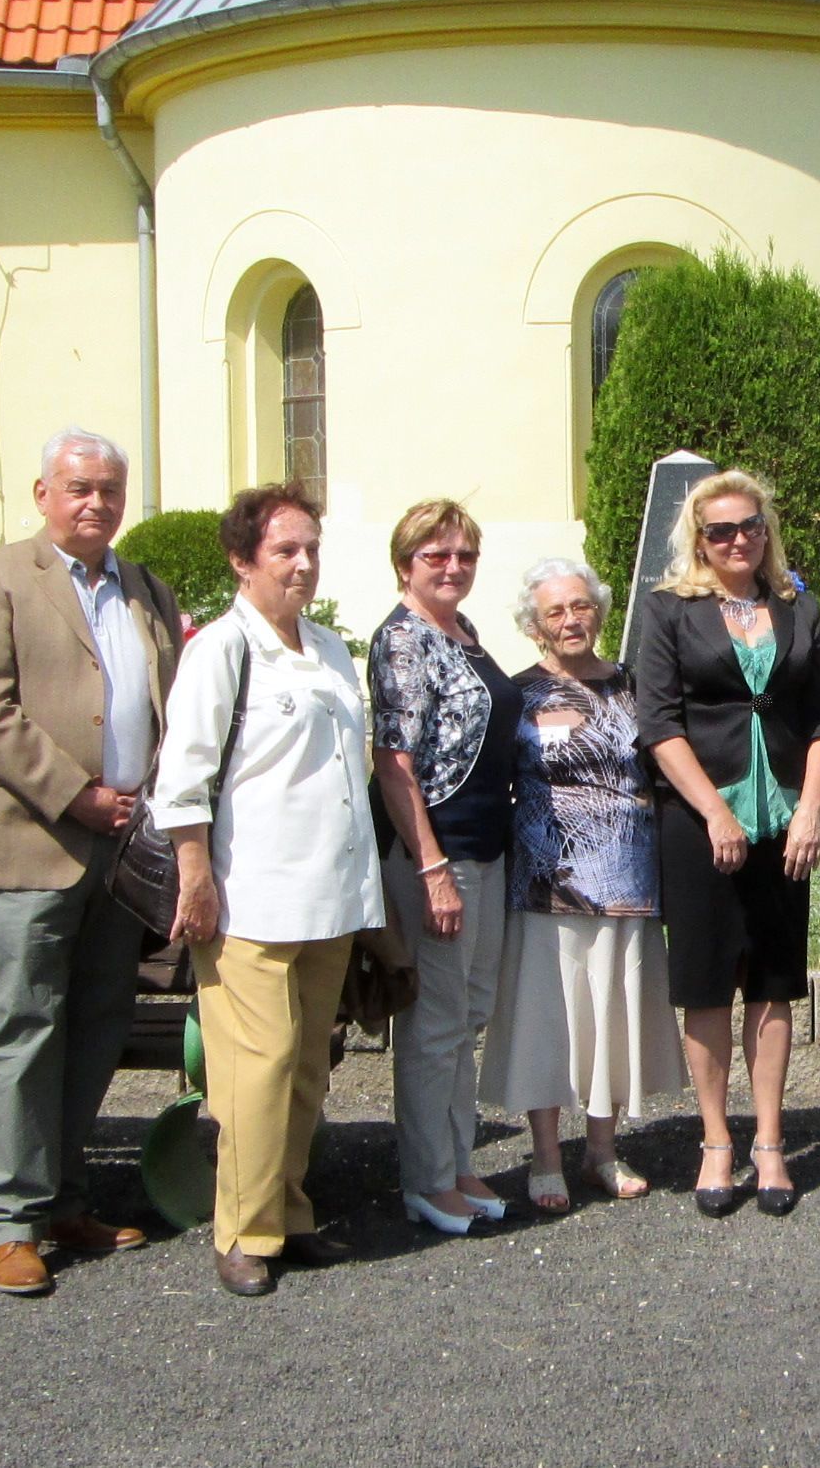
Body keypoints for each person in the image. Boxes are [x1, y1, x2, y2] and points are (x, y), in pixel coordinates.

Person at [0, 428, 184, 1295]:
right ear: (42, 492)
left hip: (123, 851)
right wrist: (74, 791)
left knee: (95, 1030)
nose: (96, 503)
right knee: (27, 1029)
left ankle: (63, 1200)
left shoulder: (144, 587)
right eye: (79, 487)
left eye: (110, 490)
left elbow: (165, 708)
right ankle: (11, 1221)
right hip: (31, 837)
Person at [157, 485, 387, 1297]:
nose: (302, 563)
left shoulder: (325, 647)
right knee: (255, 1069)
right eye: (285, 550)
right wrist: (195, 878)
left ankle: (289, 1213)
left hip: (329, 893)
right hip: (251, 894)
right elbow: (183, 777)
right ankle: (241, 1231)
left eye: (311, 548)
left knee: (305, 1068)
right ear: (241, 559)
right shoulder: (221, 649)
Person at [628, 470, 820, 1219]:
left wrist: (812, 810)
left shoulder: (797, 606)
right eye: (719, 530)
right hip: (698, 826)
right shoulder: (667, 612)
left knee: (774, 982)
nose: (736, 540)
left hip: (784, 824)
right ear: (698, 538)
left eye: (748, 525)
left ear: (765, 529)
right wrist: (715, 812)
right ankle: (717, 1141)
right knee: (705, 982)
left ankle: (772, 1143)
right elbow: (658, 722)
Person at [481, 561, 685, 1212]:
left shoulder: (634, 687)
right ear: (533, 626)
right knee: (549, 1018)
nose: (570, 620)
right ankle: (545, 1156)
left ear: (598, 611)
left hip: (627, 877)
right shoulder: (516, 694)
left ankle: (601, 1151)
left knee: (611, 1017)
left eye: (580, 606)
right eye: (554, 612)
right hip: (547, 883)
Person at [367, 499, 523, 1235]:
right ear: (406, 564)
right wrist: (429, 867)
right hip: (438, 853)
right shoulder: (401, 641)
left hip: (486, 847)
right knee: (433, 1025)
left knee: (467, 1015)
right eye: (436, 555)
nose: (453, 567)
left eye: (463, 555)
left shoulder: (462, 634)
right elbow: (394, 761)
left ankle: (459, 1161)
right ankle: (426, 1180)